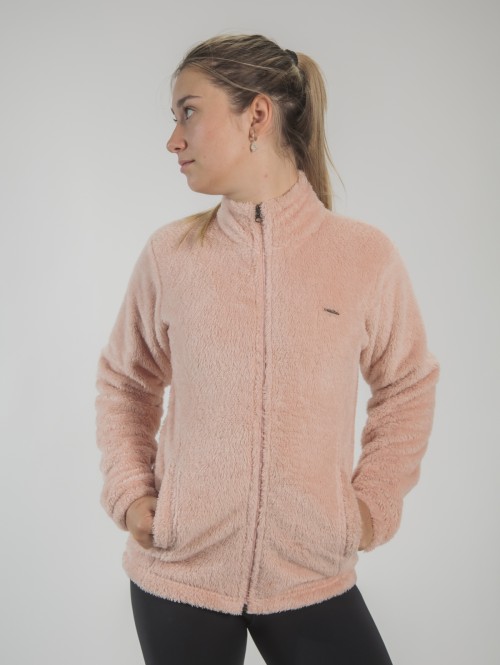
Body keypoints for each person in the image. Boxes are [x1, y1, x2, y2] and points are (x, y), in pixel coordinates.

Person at [95, 33, 440, 665]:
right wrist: (131, 490)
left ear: (257, 114)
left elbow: (406, 383)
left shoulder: (364, 256)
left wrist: (371, 506)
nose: (173, 139)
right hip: (180, 575)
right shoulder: (171, 255)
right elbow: (126, 381)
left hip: (311, 573)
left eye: (188, 112)